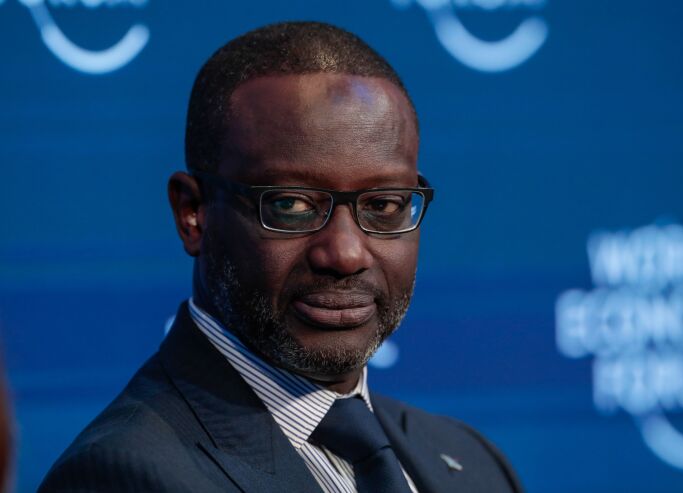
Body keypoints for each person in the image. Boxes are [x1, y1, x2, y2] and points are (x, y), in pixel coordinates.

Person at [39, 21, 522, 493]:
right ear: (193, 213)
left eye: (384, 205)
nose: (346, 253)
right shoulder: (124, 474)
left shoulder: (475, 463)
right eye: (291, 204)